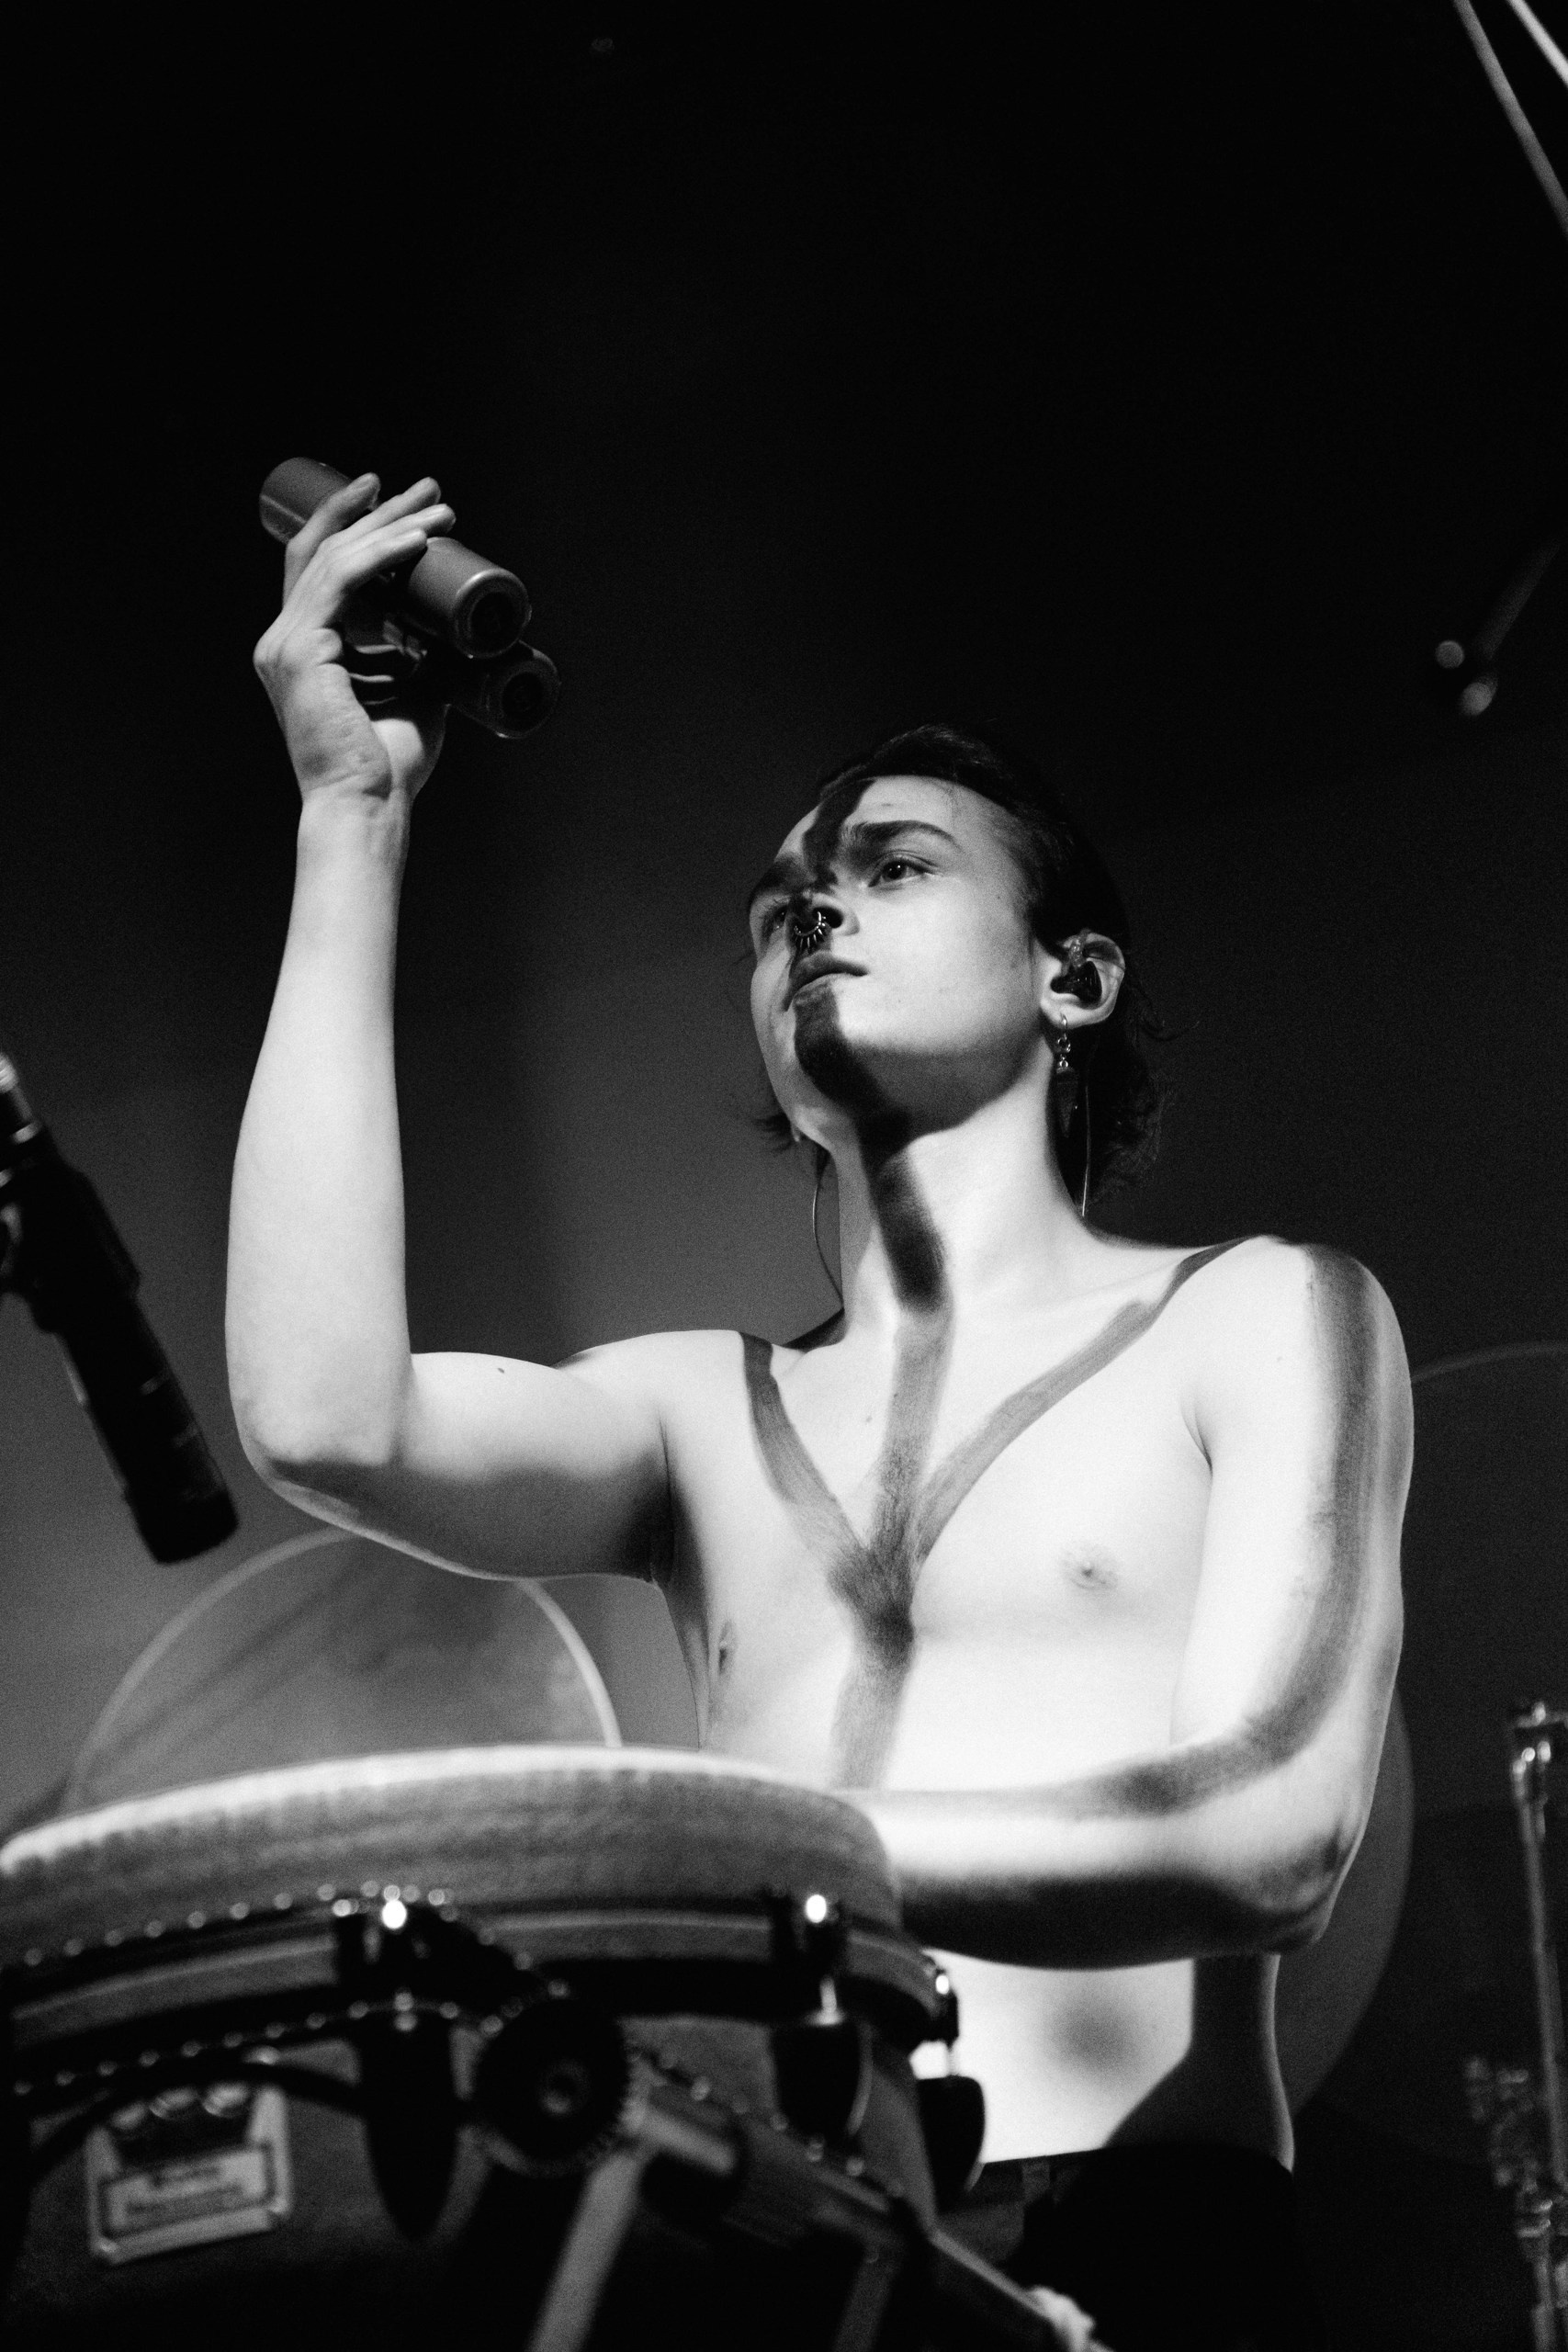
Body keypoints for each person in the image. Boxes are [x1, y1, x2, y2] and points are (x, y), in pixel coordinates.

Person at [231, 475, 1411, 2352]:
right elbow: (321, 1416)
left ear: (1073, 975)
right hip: (779, 2248)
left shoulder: (1257, 1309)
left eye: (894, 866)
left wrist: (718, 1864)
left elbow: (1272, 1828)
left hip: (1149, 2237)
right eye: (780, 903)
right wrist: (348, 818)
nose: (814, 912)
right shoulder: (697, 1407)